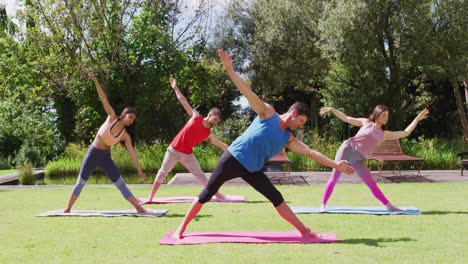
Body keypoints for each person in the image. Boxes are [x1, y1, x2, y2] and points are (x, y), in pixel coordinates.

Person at [170, 50, 355, 240]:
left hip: (252, 169)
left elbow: (309, 152)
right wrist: (230, 70)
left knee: (276, 197)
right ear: (293, 114)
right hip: (233, 158)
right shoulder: (268, 113)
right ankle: (180, 230)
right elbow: (247, 92)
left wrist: (335, 164)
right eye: (300, 121)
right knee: (207, 193)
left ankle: (305, 231)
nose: (300, 126)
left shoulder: (288, 138)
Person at [64, 69, 150, 213]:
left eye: (133, 119)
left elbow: (132, 153)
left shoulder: (125, 136)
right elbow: (103, 99)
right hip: (92, 154)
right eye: (130, 117)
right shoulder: (111, 117)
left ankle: (139, 209)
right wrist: (96, 81)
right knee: (80, 183)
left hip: (105, 157)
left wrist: (139, 170)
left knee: (120, 184)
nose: (131, 120)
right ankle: (68, 209)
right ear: (124, 114)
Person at [319, 105, 429, 212]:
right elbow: (347, 118)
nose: (386, 118)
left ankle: (389, 206)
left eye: (387, 116)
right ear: (377, 116)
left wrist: (417, 119)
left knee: (372, 183)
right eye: (384, 115)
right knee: (334, 178)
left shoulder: (384, 134)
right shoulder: (366, 123)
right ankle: (323, 205)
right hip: (346, 151)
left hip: (358, 159)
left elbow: (405, 133)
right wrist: (332, 109)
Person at [147, 78, 229, 201]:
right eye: (216, 120)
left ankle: (217, 195)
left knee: (201, 176)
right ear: (210, 115)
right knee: (162, 173)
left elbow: (221, 144)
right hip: (173, 150)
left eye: (217, 121)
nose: (216, 123)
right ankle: (150, 197)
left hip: (187, 155)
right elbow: (183, 101)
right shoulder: (195, 116)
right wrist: (175, 88)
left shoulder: (209, 134)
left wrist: (233, 151)